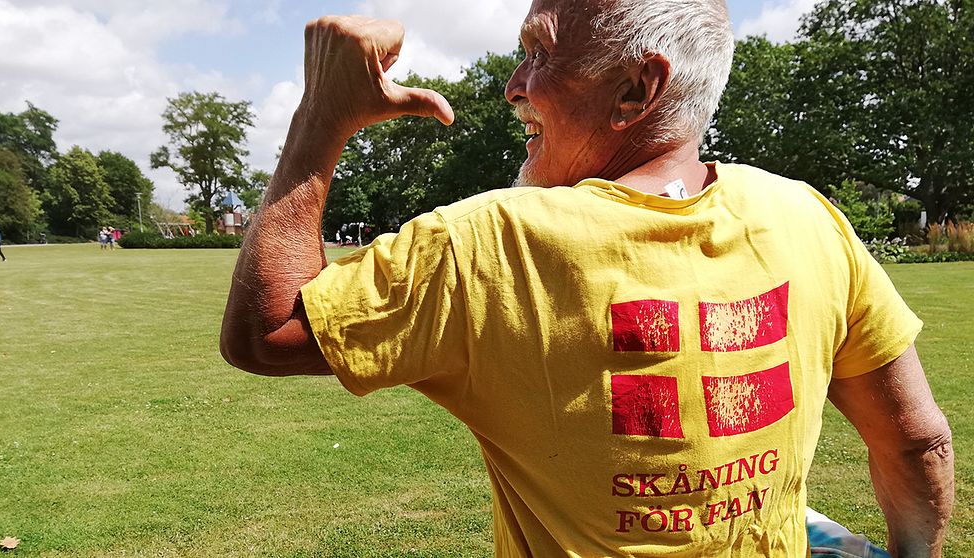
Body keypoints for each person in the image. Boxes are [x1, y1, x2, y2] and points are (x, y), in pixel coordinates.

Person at [220, 2, 954, 556]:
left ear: (638, 89)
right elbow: (917, 441)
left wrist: (320, 116)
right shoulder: (808, 218)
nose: (513, 87)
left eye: (537, 52)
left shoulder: (489, 241)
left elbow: (268, 332)